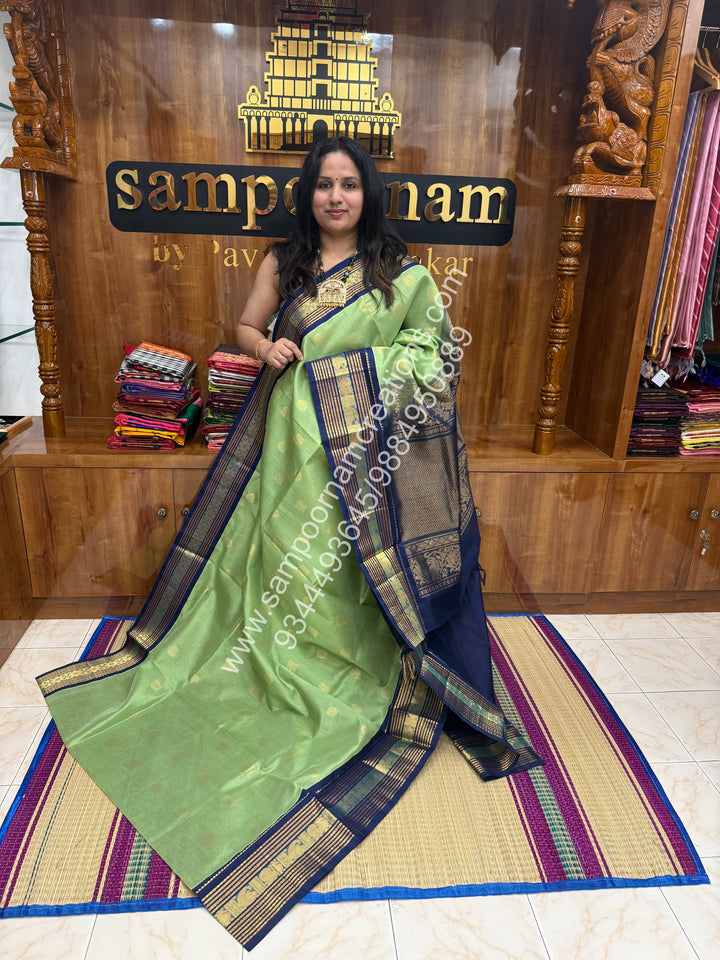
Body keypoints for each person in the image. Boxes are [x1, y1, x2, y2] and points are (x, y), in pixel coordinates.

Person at [37, 136, 541, 950]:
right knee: (285, 562)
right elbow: (244, 323)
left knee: (351, 572)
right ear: (308, 195)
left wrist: (363, 375)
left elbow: (437, 355)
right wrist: (260, 346)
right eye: (323, 186)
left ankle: (356, 666)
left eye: (348, 185)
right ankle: (272, 661)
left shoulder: (401, 274)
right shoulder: (287, 262)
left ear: (367, 195)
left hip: (367, 456)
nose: (335, 197)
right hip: (290, 445)